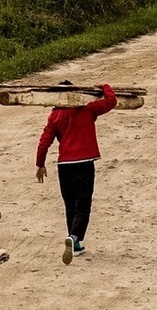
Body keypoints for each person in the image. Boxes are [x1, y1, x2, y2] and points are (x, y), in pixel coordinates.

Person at [36, 81, 117, 264]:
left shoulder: (54, 116)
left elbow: (44, 142)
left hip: (64, 164)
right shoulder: (87, 109)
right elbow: (111, 101)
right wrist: (104, 86)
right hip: (84, 163)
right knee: (83, 203)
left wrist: (40, 164)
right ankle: (74, 238)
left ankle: (75, 242)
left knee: (70, 204)